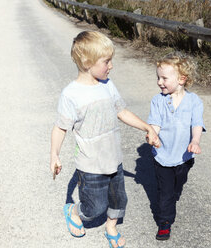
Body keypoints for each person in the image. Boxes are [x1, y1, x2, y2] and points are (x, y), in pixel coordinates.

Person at [50, 30, 160, 248]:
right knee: (94, 207)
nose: (111, 66)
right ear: (86, 61)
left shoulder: (107, 85)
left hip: (113, 158)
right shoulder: (71, 95)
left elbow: (122, 111)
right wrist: (54, 154)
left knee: (119, 200)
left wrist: (146, 127)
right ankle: (74, 211)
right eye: (107, 61)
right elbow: (60, 128)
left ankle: (111, 227)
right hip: (90, 164)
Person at [147, 51, 205, 240]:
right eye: (158, 77)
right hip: (162, 155)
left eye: (164, 78)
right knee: (165, 193)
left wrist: (195, 141)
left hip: (184, 157)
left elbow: (197, 123)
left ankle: (173, 193)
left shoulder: (194, 101)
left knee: (177, 186)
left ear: (182, 79)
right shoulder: (158, 101)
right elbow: (154, 123)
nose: (159, 82)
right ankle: (164, 222)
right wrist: (152, 134)